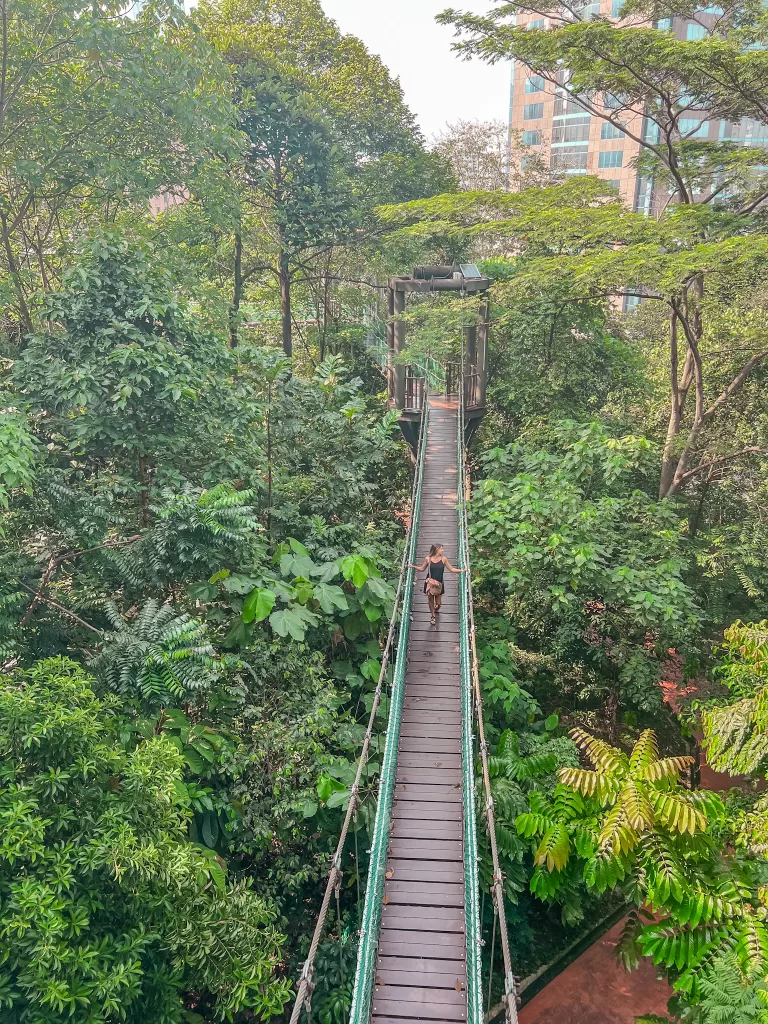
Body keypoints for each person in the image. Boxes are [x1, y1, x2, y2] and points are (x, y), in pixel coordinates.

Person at [409, 544, 466, 625]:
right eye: (441, 549)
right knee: (430, 600)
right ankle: (432, 616)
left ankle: (436, 607)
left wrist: (462, 570)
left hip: (439, 584)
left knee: (438, 603)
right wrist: (413, 566)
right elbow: (422, 569)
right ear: (436, 550)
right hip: (430, 583)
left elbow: (451, 569)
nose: (443, 550)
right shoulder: (428, 559)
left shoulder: (444, 559)